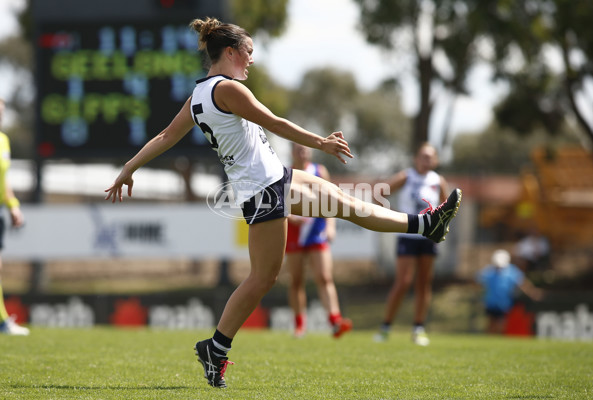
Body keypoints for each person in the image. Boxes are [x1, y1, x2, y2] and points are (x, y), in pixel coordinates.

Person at [104, 17, 462, 389]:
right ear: (230, 52)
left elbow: (164, 135)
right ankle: (215, 347)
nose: (251, 60)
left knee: (342, 203)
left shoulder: (197, 96)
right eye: (248, 52)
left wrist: (128, 168)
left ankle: (425, 225)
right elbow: (274, 122)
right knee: (263, 277)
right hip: (262, 188)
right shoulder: (227, 89)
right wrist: (320, 142)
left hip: (272, 178)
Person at [373, 143, 449, 346]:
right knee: (403, 282)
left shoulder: (437, 180)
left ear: (436, 160)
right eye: (422, 156)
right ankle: (386, 327)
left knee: (424, 282)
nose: (426, 160)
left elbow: (446, 207)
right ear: (416, 159)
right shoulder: (406, 176)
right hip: (408, 235)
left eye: (430, 157)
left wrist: (439, 225)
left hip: (428, 237)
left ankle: (419, 328)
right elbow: (378, 193)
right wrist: (395, 215)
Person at [285, 143, 352, 339]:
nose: (302, 151)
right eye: (298, 148)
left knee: (324, 277)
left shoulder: (319, 171)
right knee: (296, 280)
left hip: (316, 230)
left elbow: (331, 200)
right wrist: (291, 217)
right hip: (295, 232)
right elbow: (278, 203)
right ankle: (299, 325)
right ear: (292, 152)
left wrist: (330, 226)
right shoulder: (285, 173)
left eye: (305, 148)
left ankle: (335, 321)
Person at [0, 98, 28, 336]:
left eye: (2, 111)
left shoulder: (3, 140)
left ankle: (1, 322)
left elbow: (3, 180)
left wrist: (13, 205)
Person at [478, 249, 543, 335]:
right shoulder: (488, 271)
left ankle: (497, 340)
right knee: (491, 323)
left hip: (504, 303)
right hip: (491, 303)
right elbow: (479, 282)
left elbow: (522, 284)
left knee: (502, 323)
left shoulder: (512, 271)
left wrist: (532, 293)